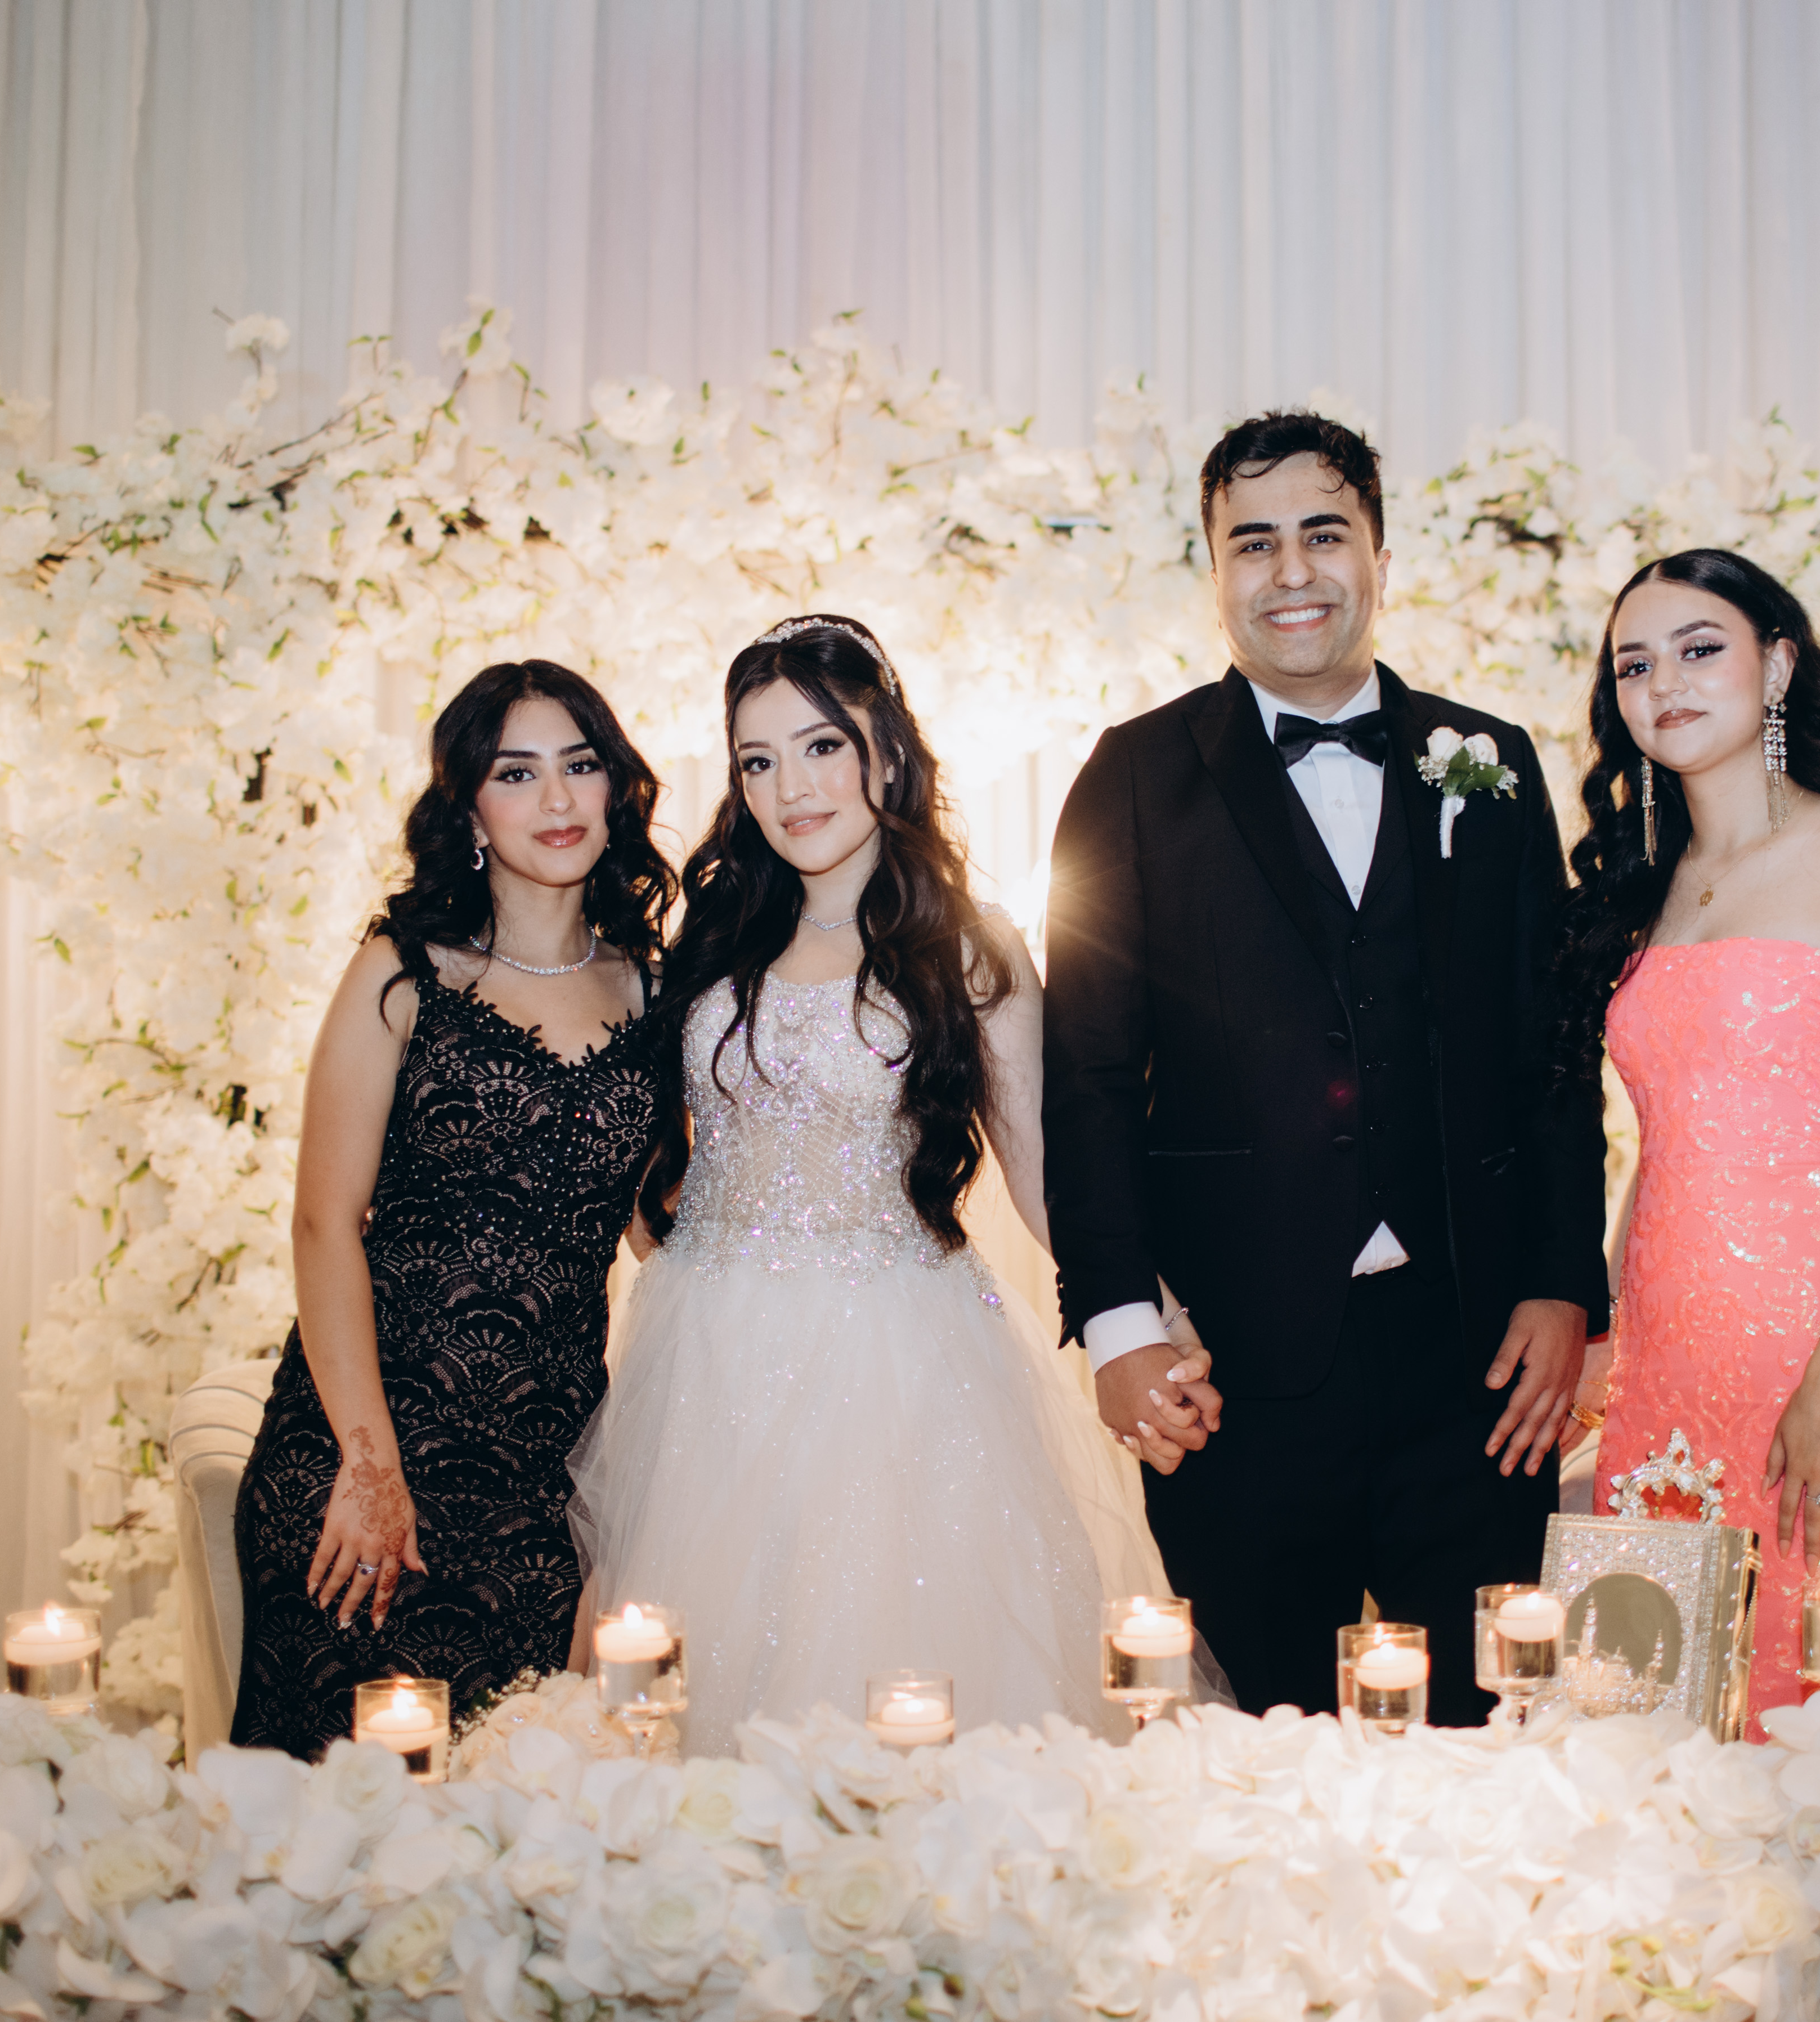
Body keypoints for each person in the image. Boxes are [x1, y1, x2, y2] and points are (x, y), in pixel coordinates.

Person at [1042, 412, 1611, 1727]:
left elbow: (1551, 1053)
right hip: (1230, 1374)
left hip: (1477, 1365)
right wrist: (1120, 1326)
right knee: (1256, 1749)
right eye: (1253, 543)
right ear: (1213, 573)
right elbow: (1085, 1075)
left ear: (1379, 558)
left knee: (1483, 1740)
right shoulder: (1131, 776)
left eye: (1322, 535)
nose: (1290, 571)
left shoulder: (1492, 762)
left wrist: (1562, 1287)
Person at [568, 616, 1185, 1747]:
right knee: (688, 1707)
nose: (789, 788)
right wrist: (685, 1242)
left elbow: (1042, 1170)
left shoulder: (969, 946)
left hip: (897, 1360)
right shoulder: (715, 930)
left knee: (902, 1684)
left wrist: (1146, 1311)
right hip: (707, 1357)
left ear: (886, 754)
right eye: (757, 761)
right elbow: (662, 1149)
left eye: (820, 747)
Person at [229, 660, 676, 1758]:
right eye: (515, 774)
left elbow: (660, 1229)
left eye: (579, 766)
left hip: (547, 1480)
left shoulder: (656, 990)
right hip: (365, 1455)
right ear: (469, 808)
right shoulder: (402, 972)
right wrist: (368, 1469)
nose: (556, 800)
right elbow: (322, 1224)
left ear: (615, 789)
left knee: (521, 1806)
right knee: (341, 1817)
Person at [1552, 549, 1820, 1722]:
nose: (1665, 684)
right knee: (1652, 1738)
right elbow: (1668, 1149)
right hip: (1664, 1383)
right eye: (1635, 665)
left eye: (1700, 650)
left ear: (1777, 667)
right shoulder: (1646, 886)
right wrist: (1604, 1336)